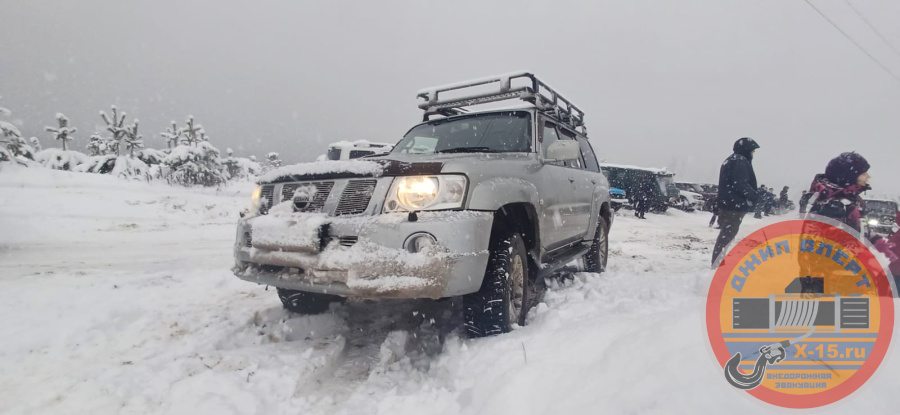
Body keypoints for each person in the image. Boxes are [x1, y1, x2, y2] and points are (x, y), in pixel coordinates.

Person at [712, 137, 761, 267]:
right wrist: (754, 196)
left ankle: (719, 260)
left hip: (728, 203)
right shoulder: (740, 161)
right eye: (752, 151)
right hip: (734, 205)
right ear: (746, 150)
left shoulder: (731, 160)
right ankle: (718, 262)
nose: (753, 154)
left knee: (726, 233)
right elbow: (740, 184)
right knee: (727, 234)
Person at [805, 152, 870, 232]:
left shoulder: (852, 199)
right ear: (849, 177)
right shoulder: (833, 206)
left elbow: (863, 234)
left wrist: (880, 242)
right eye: (863, 174)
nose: (868, 176)